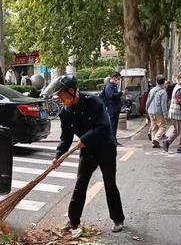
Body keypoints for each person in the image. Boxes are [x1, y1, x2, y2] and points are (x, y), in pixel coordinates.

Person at [44, 75, 125, 233]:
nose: (61, 100)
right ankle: (73, 221)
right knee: (80, 183)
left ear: (72, 91)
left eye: (62, 96)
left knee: (109, 183)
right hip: (87, 151)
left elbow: (104, 127)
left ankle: (118, 219)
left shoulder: (93, 102)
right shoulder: (65, 113)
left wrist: (85, 138)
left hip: (105, 148)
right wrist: (58, 156)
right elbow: (65, 138)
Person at [161, 70, 181, 153]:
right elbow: (179, 101)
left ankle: (167, 142)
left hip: (174, 113)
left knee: (176, 130)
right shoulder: (179, 89)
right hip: (178, 114)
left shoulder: (178, 87)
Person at [146, 75, 168, 148]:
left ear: (156, 81)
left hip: (150, 111)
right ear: (164, 82)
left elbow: (148, 101)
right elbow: (163, 105)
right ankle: (156, 139)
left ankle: (153, 142)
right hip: (159, 112)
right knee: (163, 126)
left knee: (154, 126)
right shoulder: (163, 92)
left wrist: (147, 109)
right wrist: (165, 115)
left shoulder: (152, 90)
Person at [104, 71, 123, 146]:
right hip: (112, 108)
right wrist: (120, 93)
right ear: (114, 78)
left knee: (114, 125)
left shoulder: (113, 86)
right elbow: (111, 96)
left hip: (115, 108)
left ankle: (114, 139)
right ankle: (112, 141)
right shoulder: (109, 86)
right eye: (118, 78)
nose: (118, 80)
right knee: (112, 125)